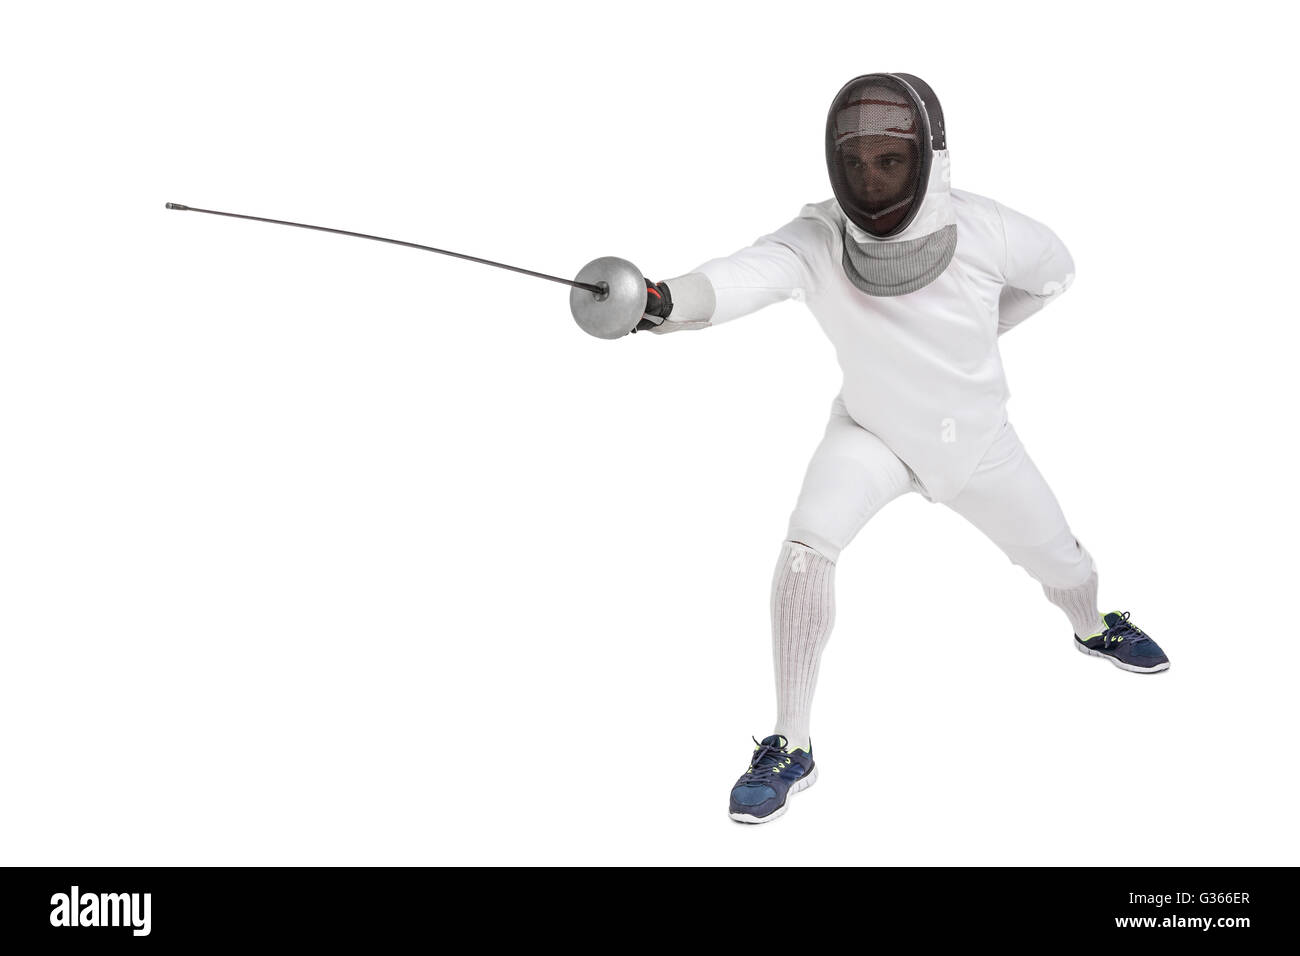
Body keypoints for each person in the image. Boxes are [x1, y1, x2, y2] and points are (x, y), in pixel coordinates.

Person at [631, 73, 1170, 825]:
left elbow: (1057, 273)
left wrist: (986, 331)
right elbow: (743, 277)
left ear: (927, 161)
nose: (870, 178)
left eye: (889, 162)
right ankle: (792, 742)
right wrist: (663, 302)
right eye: (856, 164)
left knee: (1064, 565)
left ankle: (1092, 627)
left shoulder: (990, 230)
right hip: (872, 432)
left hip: (979, 441)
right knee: (806, 548)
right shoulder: (820, 237)